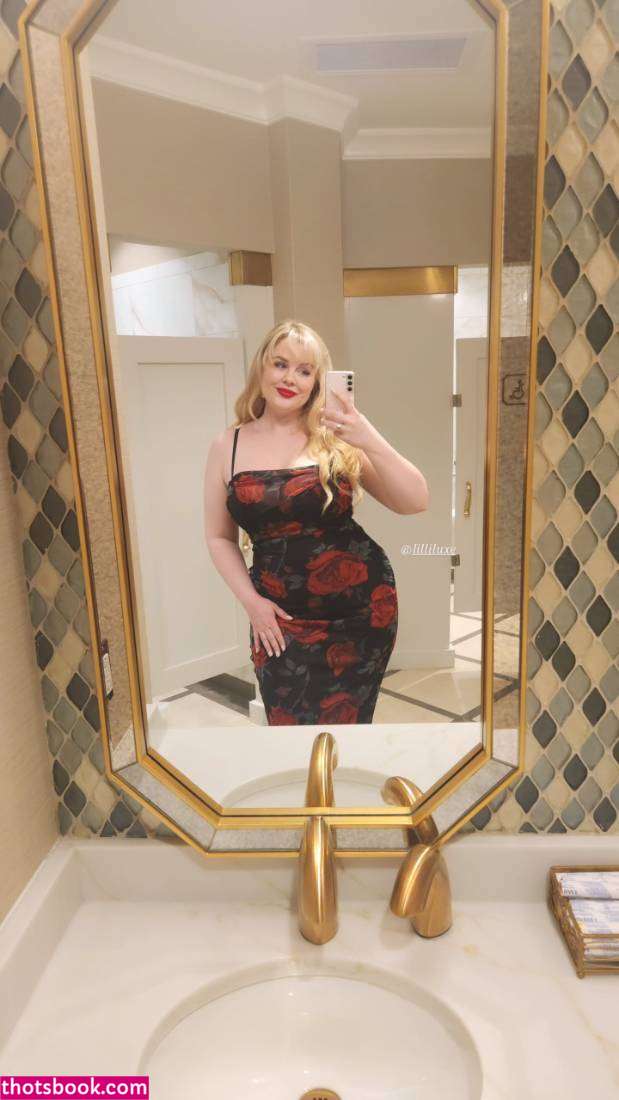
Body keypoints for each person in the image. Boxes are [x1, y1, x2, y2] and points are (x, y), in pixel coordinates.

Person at [204, 319, 429, 725]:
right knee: (288, 729)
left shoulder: (335, 439)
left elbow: (415, 500)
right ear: (261, 367)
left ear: (317, 382)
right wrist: (252, 604)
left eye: (305, 371)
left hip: (360, 613)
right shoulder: (227, 445)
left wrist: (367, 435)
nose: (290, 378)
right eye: (280, 364)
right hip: (278, 621)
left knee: (350, 730)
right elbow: (219, 537)